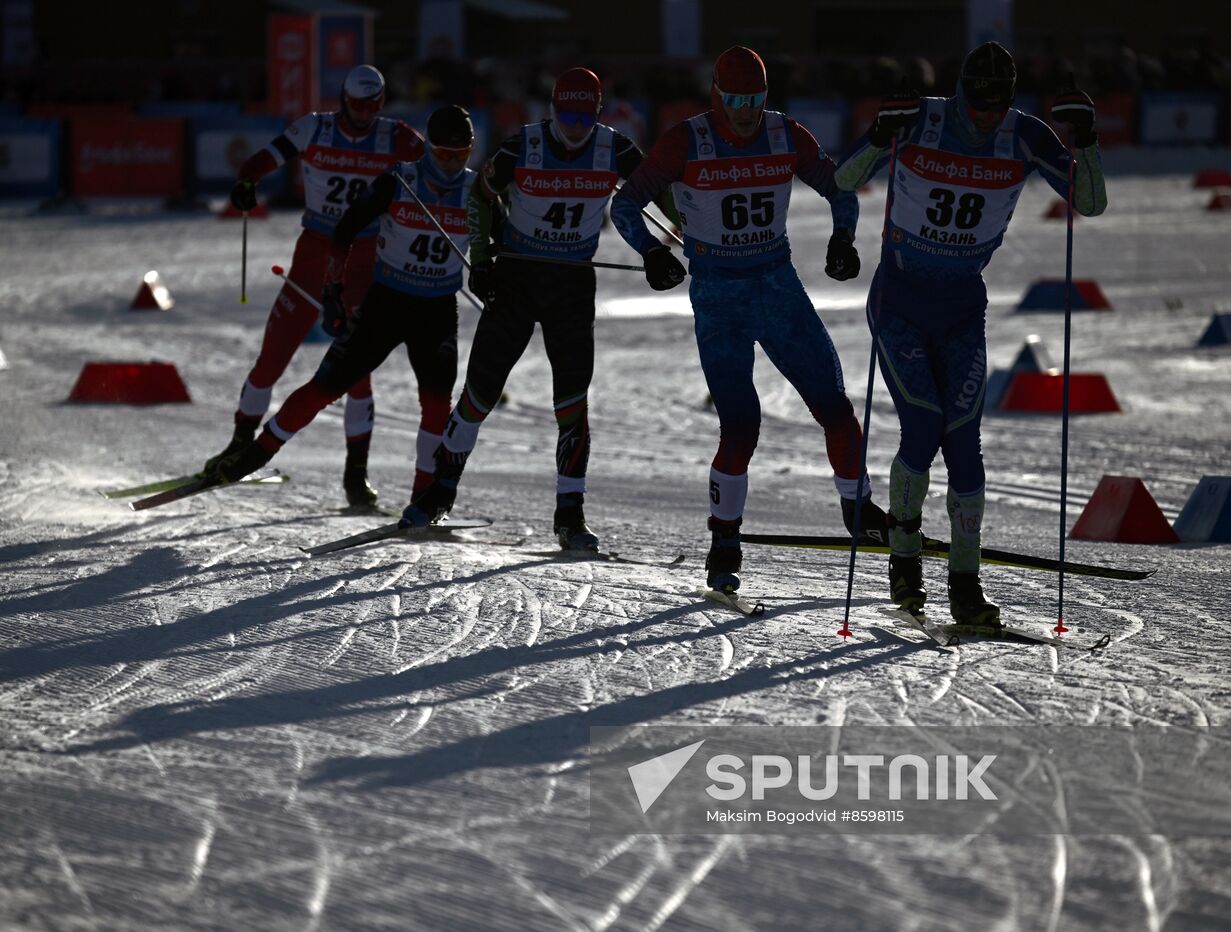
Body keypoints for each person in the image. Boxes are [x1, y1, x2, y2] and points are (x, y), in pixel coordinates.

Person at [834, 42, 1107, 626]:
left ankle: (965, 585)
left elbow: (1091, 202)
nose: (984, 117)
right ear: (960, 92)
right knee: (924, 424)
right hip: (900, 302)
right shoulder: (923, 118)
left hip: (962, 309)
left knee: (964, 442)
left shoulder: (1023, 134)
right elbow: (843, 176)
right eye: (976, 104)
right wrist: (881, 134)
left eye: (996, 105)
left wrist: (1086, 141)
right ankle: (904, 559)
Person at [609, 46, 884, 595]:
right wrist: (652, 252)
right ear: (716, 94)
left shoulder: (786, 134)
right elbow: (625, 203)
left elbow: (841, 188)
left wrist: (843, 239)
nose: (744, 111)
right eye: (734, 99)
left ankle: (859, 509)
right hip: (719, 299)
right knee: (741, 427)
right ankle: (723, 540)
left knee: (834, 406)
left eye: (754, 99)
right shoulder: (686, 139)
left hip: (777, 289)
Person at [402, 67, 673, 551]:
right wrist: (482, 260)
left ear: (598, 112)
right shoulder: (522, 146)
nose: (575, 125)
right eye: (566, 113)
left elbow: (661, 193)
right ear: (552, 110)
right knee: (480, 392)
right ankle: (437, 492)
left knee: (571, 401)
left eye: (585, 115)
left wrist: (677, 242)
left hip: (570, 284)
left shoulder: (614, 148)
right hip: (518, 278)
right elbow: (479, 197)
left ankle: (570, 514)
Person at [209, 107, 478, 497]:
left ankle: (423, 495)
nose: (452, 164)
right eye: (442, 154)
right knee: (325, 384)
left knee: (437, 406)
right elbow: (345, 231)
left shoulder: (478, 192)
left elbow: (497, 246)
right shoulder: (399, 179)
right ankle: (252, 455)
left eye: (461, 155)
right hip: (386, 302)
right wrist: (333, 291)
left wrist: (491, 275)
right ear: (428, 149)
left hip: (436, 312)